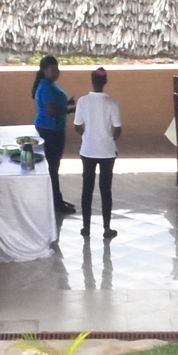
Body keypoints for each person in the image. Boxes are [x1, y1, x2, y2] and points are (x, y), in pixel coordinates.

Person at [74, 68, 121, 232]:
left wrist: (87, 133)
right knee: (105, 190)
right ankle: (107, 228)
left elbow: (77, 126)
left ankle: (86, 227)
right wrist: (109, 139)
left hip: (88, 150)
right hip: (107, 151)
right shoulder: (112, 103)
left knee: (87, 188)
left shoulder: (82, 101)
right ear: (105, 81)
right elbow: (117, 130)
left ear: (91, 80)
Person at [30, 55, 74, 218]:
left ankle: (55, 200)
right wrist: (69, 109)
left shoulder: (47, 85)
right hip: (50, 131)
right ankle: (57, 202)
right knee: (53, 168)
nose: (57, 72)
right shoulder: (47, 87)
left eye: (57, 69)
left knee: (53, 168)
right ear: (44, 70)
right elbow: (51, 111)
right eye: (53, 70)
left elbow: (54, 106)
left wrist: (66, 104)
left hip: (51, 129)